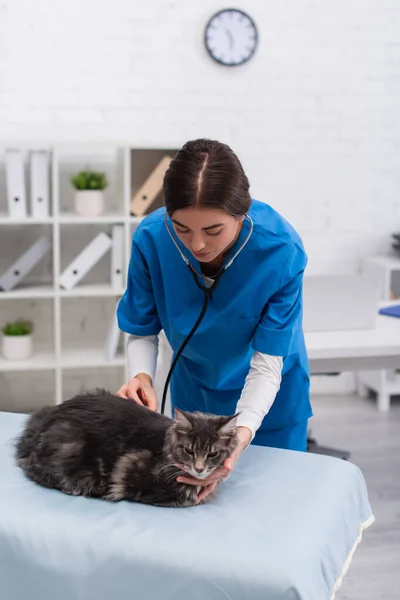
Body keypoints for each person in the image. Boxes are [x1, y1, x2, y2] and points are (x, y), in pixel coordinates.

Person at [116, 138, 312, 503]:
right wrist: (140, 376)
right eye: (181, 228)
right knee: (196, 511)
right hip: (197, 403)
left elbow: (268, 364)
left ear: (242, 214)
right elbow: (142, 330)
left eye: (212, 231)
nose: (196, 245)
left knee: (276, 508)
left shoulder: (281, 251)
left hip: (271, 402)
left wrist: (242, 433)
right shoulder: (151, 238)